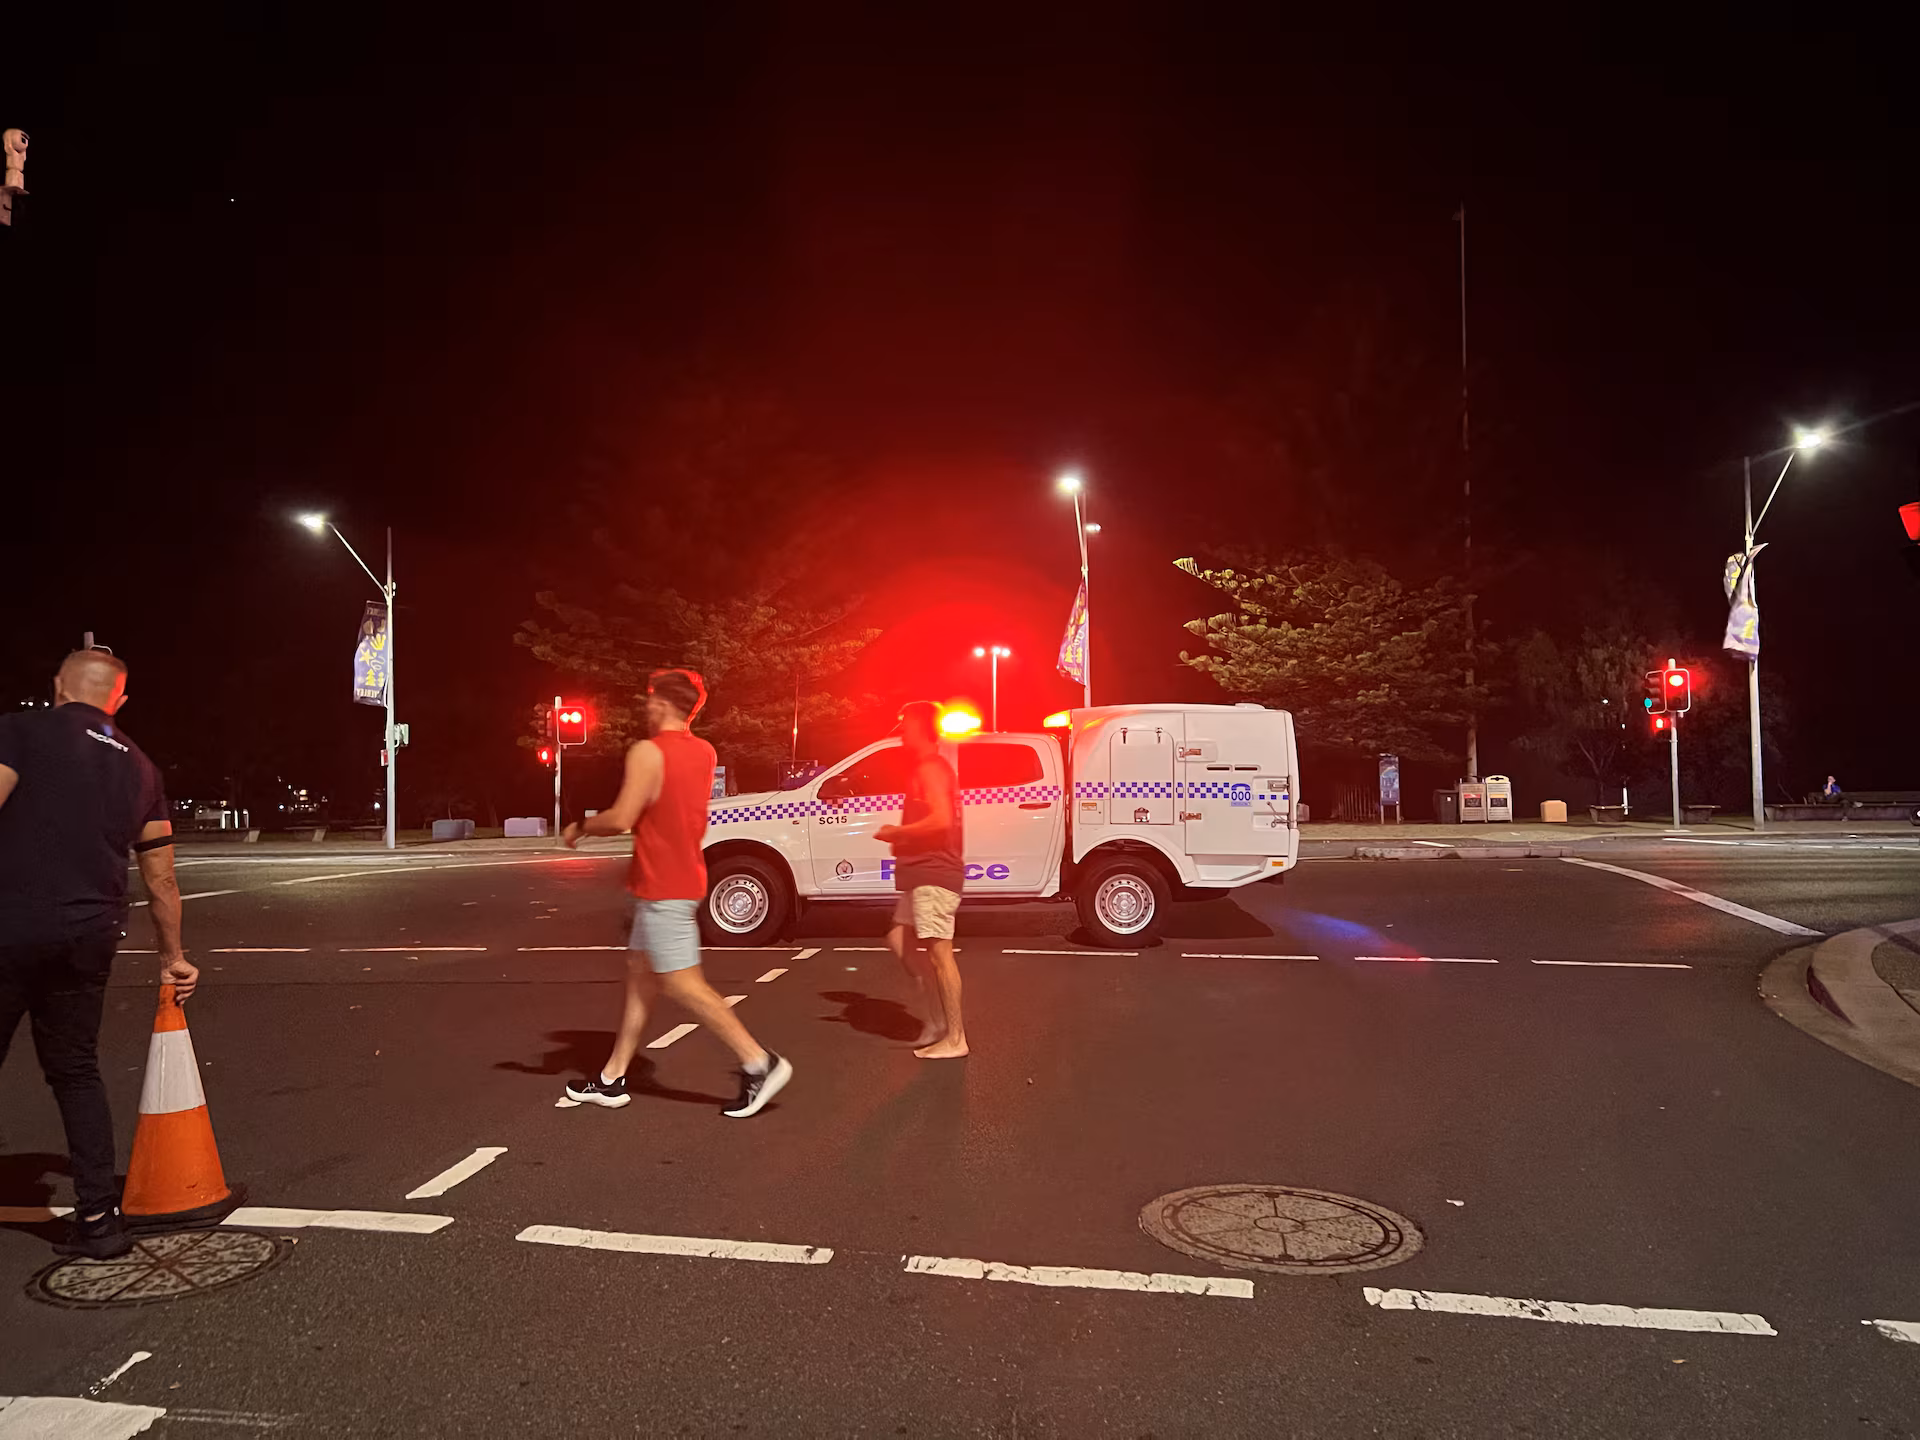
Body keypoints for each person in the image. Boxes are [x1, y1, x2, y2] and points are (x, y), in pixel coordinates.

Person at [0, 651, 199, 1259]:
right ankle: (97, 1219)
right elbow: (161, 878)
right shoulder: (142, 770)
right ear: (119, 700)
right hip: (89, 934)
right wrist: (174, 958)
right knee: (76, 1071)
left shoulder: (20, 730)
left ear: (58, 686)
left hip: (9, 924)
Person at [561, 668, 792, 1118]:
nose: (645, 707)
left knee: (682, 983)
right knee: (641, 977)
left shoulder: (648, 752)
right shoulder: (704, 752)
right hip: (678, 876)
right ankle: (612, 1079)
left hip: (663, 884)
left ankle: (759, 1063)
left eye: (649, 700)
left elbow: (623, 817)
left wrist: (580, 827)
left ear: (663, 704)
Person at [876, 700, 967, 1059]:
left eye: (905, 725)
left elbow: (941, 820)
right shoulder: (928, 767)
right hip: (921, 873)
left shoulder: (931, 768)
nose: (901, 733)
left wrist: (898, 833)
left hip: (934, 872)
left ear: (919, 728)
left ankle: (955, 1038)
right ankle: (936, 1021)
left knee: (940, 954)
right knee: (898, 940)